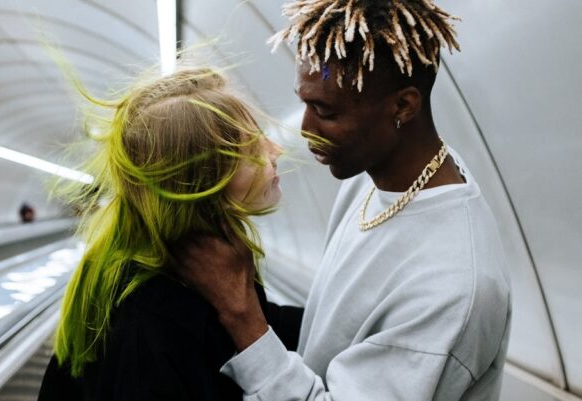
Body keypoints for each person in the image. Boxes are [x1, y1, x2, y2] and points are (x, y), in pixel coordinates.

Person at [176, 1, 512, 400]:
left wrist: (243, 315)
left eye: (325, 111)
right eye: (305, 103)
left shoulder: (453, 287)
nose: (305, 129)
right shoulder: (372, 178)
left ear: (403, 106)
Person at [37, 66, 303, 401]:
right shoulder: (149, 325)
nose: (275, 151)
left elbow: (266, 322)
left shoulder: (213, 266)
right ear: (201, 182)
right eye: (251, 150)